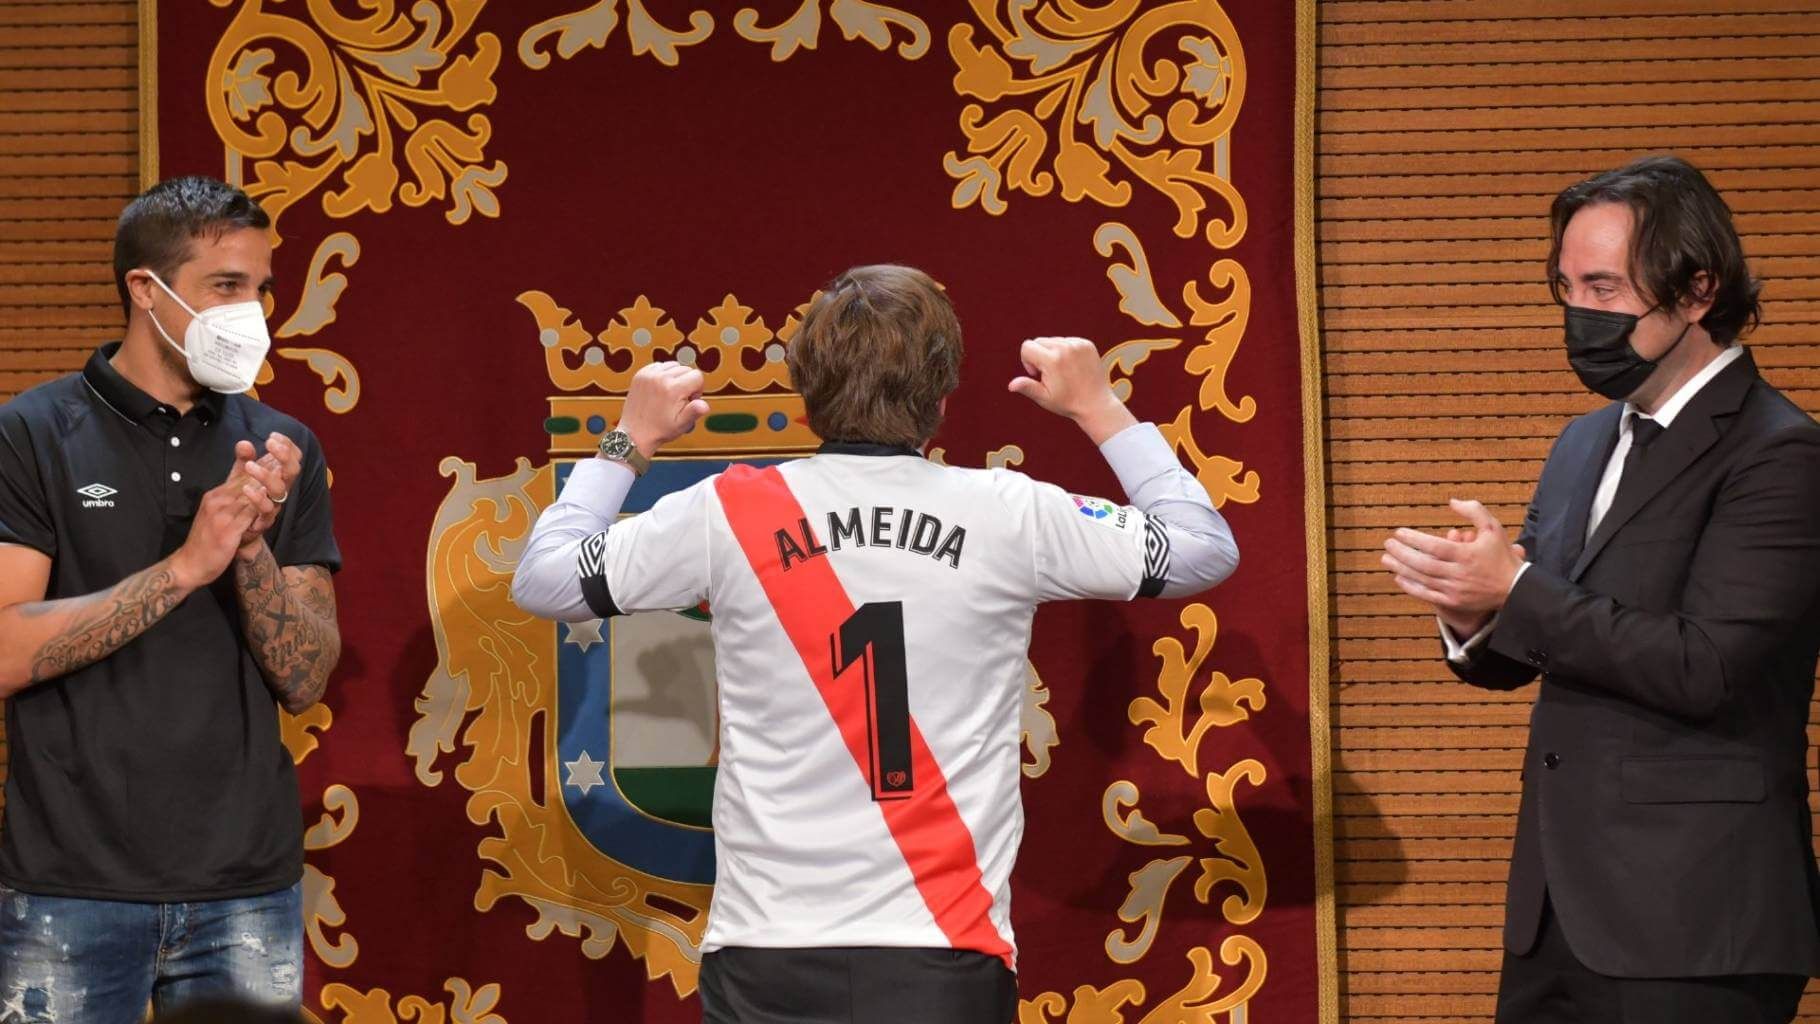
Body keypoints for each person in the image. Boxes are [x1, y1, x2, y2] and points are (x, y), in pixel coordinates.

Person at [512, 264, 1239, 1023]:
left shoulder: (726, 510)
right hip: (944, 956)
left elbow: (547, 580)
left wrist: (631, 438)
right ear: (944, 394)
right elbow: (1200, 548)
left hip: (766, 953)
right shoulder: (1006, 511)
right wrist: (1100, 407)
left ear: (805, 387)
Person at [1381, 155, 1820, 1023]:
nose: (1581, 314)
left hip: (1693, 918)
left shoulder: (1780, 453)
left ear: (1697, 290)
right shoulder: (1585, 442)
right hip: (1556, 914)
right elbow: (1536, 646)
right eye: (1567, 288)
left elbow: (1708, 666)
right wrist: (1472, 613)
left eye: (1606, 288)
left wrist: (1516, 589)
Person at [0, 177, 342, 1022]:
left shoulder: (282, 446)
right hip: (70, 885)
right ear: (145, 291)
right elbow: (4, 651)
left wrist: (250, 542)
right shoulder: (34, 433)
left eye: (261, 288)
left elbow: (306, 676)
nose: (253, 312)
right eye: (226, 287)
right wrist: (189, 564)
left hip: (246, 887)